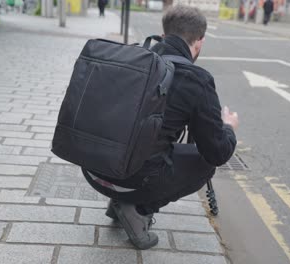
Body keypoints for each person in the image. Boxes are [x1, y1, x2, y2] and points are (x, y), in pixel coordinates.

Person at [83, 5, 239, 250]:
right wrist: (227, 127)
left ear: (163, 35)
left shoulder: (129, 57)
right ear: (199, 42)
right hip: (131, 177)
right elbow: (217, 152)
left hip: (92, 170)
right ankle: (138, 209)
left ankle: (119, 200)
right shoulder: (195, 79)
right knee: (205, 163)